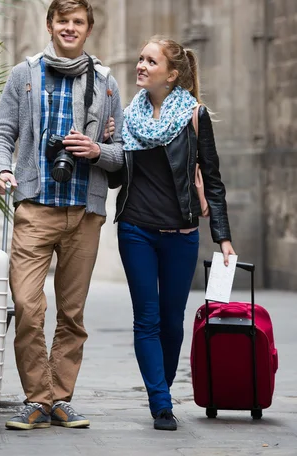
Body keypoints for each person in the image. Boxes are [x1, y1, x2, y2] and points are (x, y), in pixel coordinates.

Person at [0, 0, 124, 430]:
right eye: (62, 20)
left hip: (85, 211)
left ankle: (60, 399)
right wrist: (3, 169)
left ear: (88, 29)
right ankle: (37, 397)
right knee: (27, 306)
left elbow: (122, 153)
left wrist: (96, 149)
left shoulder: (106, 83)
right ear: (49, 25)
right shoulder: (23, 76)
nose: (70, 28)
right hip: (35, 207)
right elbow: (1, 133)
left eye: (78, 22)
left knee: (72, 313)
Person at [114, 36, 235, 431]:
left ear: (172, 73)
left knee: (172, 321)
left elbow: (213, 181)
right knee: (146, 319)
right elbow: (118, 176)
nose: (141, 65)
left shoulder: (193, 116)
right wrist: (108, 144)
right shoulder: (128, 117)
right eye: (140, 58)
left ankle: (160, 386)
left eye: (151, 61)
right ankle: (160, 402)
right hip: (136, 229)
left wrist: (223, 237)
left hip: (181, 233)